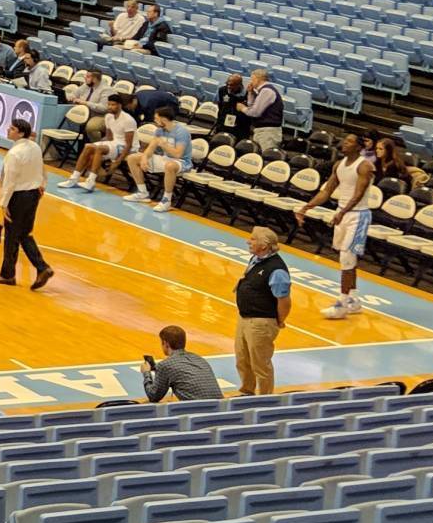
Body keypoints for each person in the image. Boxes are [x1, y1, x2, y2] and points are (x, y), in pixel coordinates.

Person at [296, 132, 373, 321]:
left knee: (347, 258)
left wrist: (342, 212)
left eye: (349, 141)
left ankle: (341, 303)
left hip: (358, 215)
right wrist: (306, 207)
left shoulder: (364, 166)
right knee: (347, 259)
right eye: (344, 140)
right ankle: (353, 300)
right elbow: (327, 191)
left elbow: (358, 194)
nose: (344, 143)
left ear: (359, 146)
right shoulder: (339, 165)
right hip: (343, 213)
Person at [0, 117, 55, 290]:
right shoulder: (35, 147)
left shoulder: (14, 154)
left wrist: (4, 204)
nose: (8, 130)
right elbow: (42, 169)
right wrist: (42, 185)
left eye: (11, 128)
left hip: (18, 197)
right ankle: (42, 268)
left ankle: (8, 274)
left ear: (20, 133)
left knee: (11, 235)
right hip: (33, 195)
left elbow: (9, 181)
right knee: (24, 233)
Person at [233, 225, 293, 396]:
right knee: (242, 359)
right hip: (245, 318)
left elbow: (284, 301)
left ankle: (266, 398)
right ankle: (247, 392)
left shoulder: (277, 270)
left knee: (260, 363)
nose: (248, 241)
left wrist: (278, 320)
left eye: (253, 239)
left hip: (261, 322)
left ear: (264, 246)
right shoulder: (255, 259)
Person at [123, 104, 194, 212]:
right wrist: (144, 158)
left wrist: (164, 144)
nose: (155, 121)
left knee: (169, 166)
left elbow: (178, 154)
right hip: (165, 158)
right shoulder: (159, 130)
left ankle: (166, 200)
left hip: (182, 162)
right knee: (132, 158)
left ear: (164, 119)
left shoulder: (181, 132)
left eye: (156, 118)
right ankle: (142, 193)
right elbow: (151, 148)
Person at [69, 94, 136, 191]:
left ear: (120, 105)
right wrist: (97, 147)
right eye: (108, 104)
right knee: (88, 146)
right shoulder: (108, 116)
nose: (110, 107)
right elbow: (109, 137)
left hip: (127, 146)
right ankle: (74, 178)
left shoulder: (129, 120)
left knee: (99, 149)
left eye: (113, 105)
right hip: (114, 143)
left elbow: (129, 144)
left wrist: (117, 162)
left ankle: (91, 181)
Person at [141, 325, 222, 403]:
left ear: (166, 344)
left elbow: (153, 396)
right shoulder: (199, 359)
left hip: (197, 412)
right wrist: (157, 369)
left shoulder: (165, 365)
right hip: (220, 409)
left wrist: (146, 373)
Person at [242, 69, 285, 156]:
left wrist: (242, 108)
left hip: (268, 132)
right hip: (261, 130)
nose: (251, 82)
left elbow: (255, 112)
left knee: (267, 157)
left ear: (258, 79)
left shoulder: (267, 91)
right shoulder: (262, 91)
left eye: (252, 79)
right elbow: (252, 106)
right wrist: (250, 93)